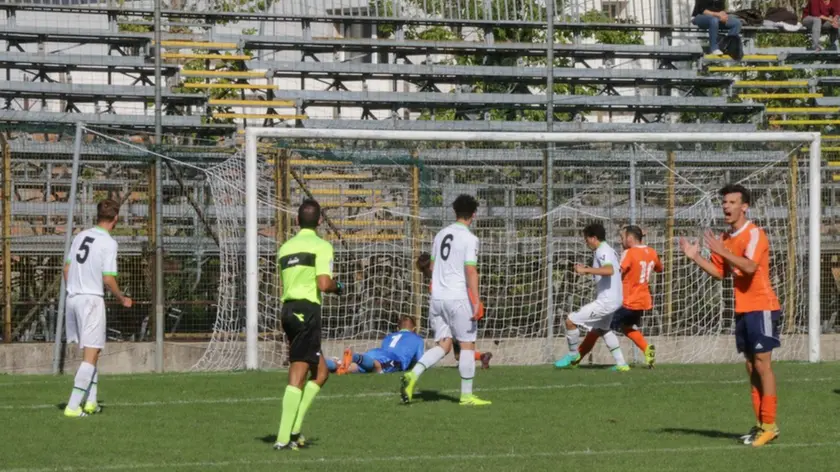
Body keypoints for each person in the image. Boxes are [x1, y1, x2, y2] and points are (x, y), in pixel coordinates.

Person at [680, 184, 781, 447]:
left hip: (762, 306)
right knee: (751, 367)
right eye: (724, 202)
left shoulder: (755, 233)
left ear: (744, 206)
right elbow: (719, 272)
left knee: (762, 364)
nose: (726, 206)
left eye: (732, 202)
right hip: (743, 308)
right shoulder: (724, 238)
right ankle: (761, 425)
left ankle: (770, 424)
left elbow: (748, 267)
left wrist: (723, 251)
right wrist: (695, 257)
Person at [400, 194, 491, 406]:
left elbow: (432, 268)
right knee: (467, 345)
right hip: (458, 297)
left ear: (455, 212)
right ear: (474, 215)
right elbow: (470, 269)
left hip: (437, 298)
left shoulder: (440, 234)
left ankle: (413, 375)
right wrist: (476, 300)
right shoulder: (470, 238)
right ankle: (467, 396)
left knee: (444, 345)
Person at [274, 199, 344, 451]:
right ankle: (284, 437)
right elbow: (324, 283)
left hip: (289, 310)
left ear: (296, 221)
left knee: (322, 373)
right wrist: (339, 287)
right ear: (320, 222)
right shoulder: (321, 246)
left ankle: (294, 430)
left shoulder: (285, 248)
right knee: (299, 371)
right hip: (306, 310)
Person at [62, 199, 133, 418]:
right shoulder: (109, 243)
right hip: (91, 300)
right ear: (115, 219)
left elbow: (66, 268)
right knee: (90, 353)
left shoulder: (80, 236)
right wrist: (122, 298)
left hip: (72, 297)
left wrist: (74, 289)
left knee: (94, 352)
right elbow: (108, 278)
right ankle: (73, 406)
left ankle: (91, 401)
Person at [554, 222, 629, 372]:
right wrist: (588, 269)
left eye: (586, 238)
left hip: (606, 301)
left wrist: (585, 270)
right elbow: (607, 270)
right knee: (603, 329)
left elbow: (609, 271)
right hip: (614, 299)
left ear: (594, 238)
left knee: (570, 320)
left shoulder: (602, 251)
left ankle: (573, 355)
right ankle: (622, 364)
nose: (585, 242)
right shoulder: (609, 250)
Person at [416, 251, 494, 370]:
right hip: (469, 307)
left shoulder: (437, 283)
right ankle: (482, 356)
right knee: (460, 349)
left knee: (448, 346)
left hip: (457, 312)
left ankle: (419, 367)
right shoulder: (450, 273)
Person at [613, 225, 662, 368]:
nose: (621, 241)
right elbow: (660, 268)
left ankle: (620, 363)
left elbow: (618, 272)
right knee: (626, 327)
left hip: (627, 300)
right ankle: (647, 349)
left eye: (622, 238)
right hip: (643, 300)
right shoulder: (652, 252)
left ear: (629, 238)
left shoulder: (629, 253)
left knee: (604, 327)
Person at [327, 316, 425, 374]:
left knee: (349, 368)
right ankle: (354, 356)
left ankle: (328, 364)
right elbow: (421, 360)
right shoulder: (417, 339)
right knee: (378, 366)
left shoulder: (389, 337)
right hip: (394, 359)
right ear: (414, 329)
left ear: (398, 328)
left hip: (374, 353)